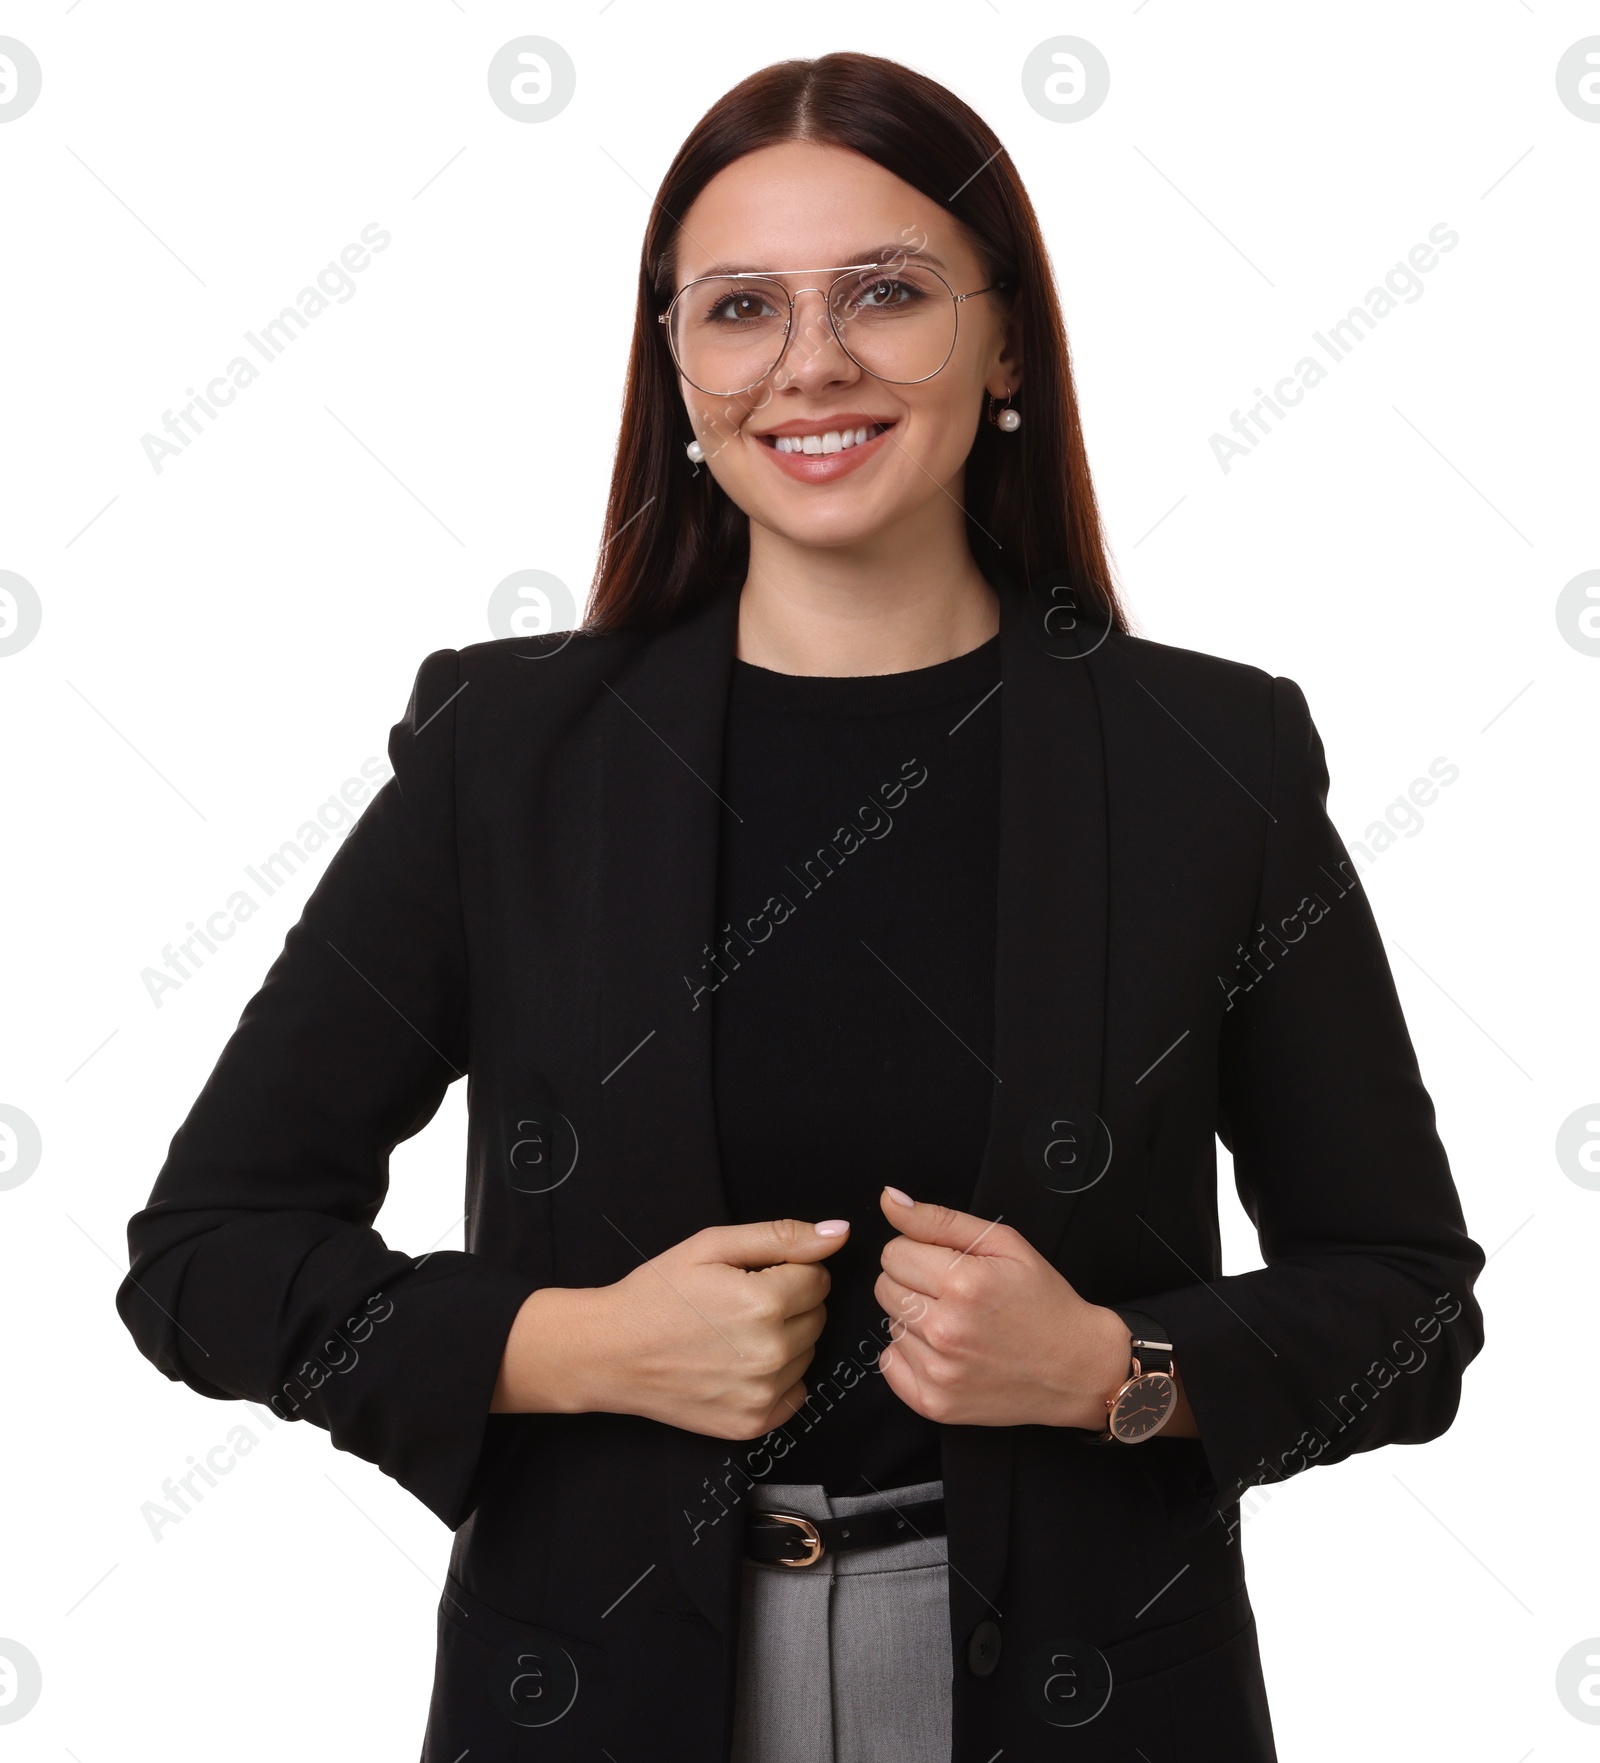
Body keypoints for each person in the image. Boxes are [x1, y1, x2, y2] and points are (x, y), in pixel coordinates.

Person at [115, 51, 1485, 1763]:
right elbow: (208, 1259)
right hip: (607, 1700)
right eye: (740, 308)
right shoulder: (509, 755)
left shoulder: (1210, 757)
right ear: (676, 366)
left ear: (1005, 346)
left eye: (888, 294)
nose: (811, 363)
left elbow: (1408, 1304)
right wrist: (573, 1346)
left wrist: (1118, 1369)